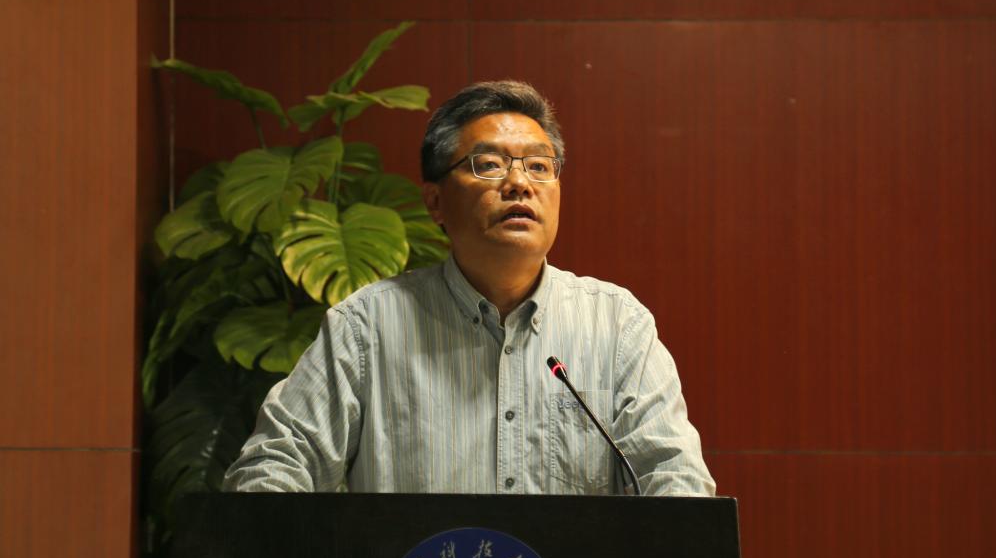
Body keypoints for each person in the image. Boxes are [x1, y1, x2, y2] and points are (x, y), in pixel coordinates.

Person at [224, 80, 715, 497]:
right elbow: (271, 468)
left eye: (539, 166)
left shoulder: (616, 326)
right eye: (489, 164)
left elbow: (676, 479)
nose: (519, 183)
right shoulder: (366, 328)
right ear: (436, 202)